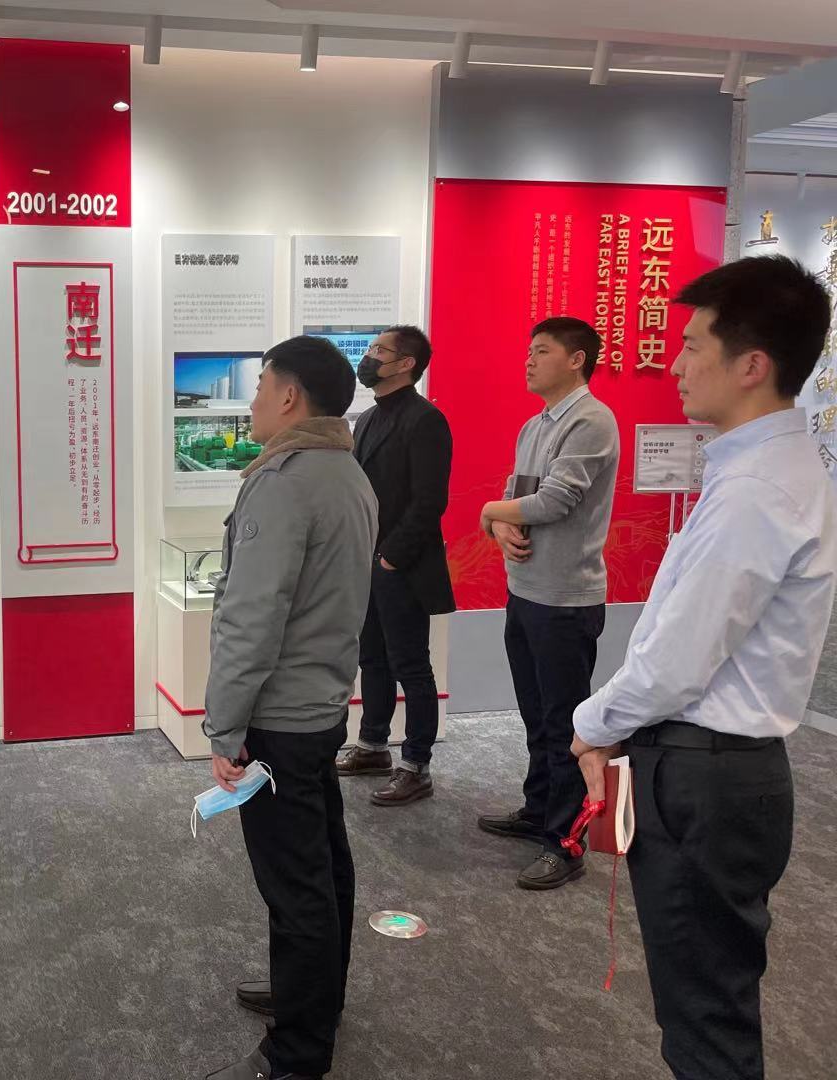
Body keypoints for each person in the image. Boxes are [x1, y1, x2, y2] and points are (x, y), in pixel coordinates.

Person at [572, 256, 836, 1080]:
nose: (676, 363)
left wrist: (590, 726)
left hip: (707, 775)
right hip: (716, 770)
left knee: (705, 1021)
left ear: (751, 365)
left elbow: (678, 660)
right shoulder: (761, 471)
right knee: (705, 1001)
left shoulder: (758, 487)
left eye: (692, 346)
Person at [202, 335, 376, 1080]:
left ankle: (297, 1054)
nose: (252, 400)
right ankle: (315, 996)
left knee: (295, 883)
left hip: (278, 716)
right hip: (320, 703)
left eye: (260, 384)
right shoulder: (346, 471)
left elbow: (252, 616)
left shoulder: (284, 482)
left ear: (290, 395)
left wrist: (224, 727)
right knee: (323, 862)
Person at [477, 316, 618, 890]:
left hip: (565, 599)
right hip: (526, 592)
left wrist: (490, 512)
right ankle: (539, 810)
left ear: (577, 358)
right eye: (529, 350)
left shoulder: (591, 420)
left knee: (564, 724)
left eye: (541, 351)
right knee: (536, 715)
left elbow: (555, 501)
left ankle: (567, 841)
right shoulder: (535, 424)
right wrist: (497, 525)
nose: (529, 360)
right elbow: (518, 498)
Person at [334, 325, 456, 804]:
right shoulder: (366, 418)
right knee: (372, 658)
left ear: (406, 364)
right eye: (370, 348)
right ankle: (372, 745)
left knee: (411, 665)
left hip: (402, 565)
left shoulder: (426, 420)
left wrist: (390, 557)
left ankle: (416, 764)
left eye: (379, 350)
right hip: (367, 561)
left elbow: (429, 502)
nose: (368, 356)